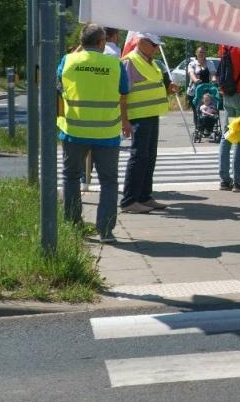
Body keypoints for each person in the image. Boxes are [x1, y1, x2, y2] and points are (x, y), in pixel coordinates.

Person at [57, 24, 131, 242]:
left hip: (74, 130)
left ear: (82, 43)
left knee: (71, 176)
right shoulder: (115, 64)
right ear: (102, 43)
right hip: (106, 133)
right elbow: (124, 93)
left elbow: (58, 81)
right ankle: (106, 230)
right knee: (108, 181)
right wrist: (124, 121)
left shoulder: (68, 60)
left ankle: (73, 224)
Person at [119, 31, 172, 214]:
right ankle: (129, 200)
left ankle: (144, 196)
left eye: (157, 45)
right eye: (153, 44)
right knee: (139, 157)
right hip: (138, 116)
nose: (156, 48)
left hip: (151, 114)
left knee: (149, 157)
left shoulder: (151, 63)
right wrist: (124, 120)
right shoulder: (130, 61)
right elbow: (122, 94)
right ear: (140, 42)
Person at [216, 45, 240, 192]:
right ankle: (238, 180)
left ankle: (224, 180)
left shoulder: (224, 45)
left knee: (227, 135)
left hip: (227, 94)